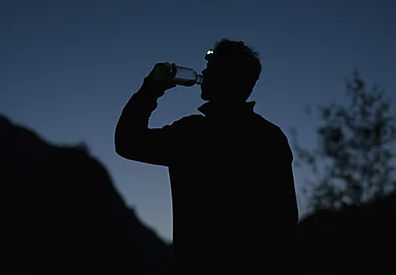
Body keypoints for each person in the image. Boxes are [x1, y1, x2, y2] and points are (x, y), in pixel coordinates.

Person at [115, 39, 298, 273]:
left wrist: (151, 88)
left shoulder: (193, 134)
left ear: (228, 77)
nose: (203, 72)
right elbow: (287, 217)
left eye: (212, 67)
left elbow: (127, 141)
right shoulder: (270, 136)